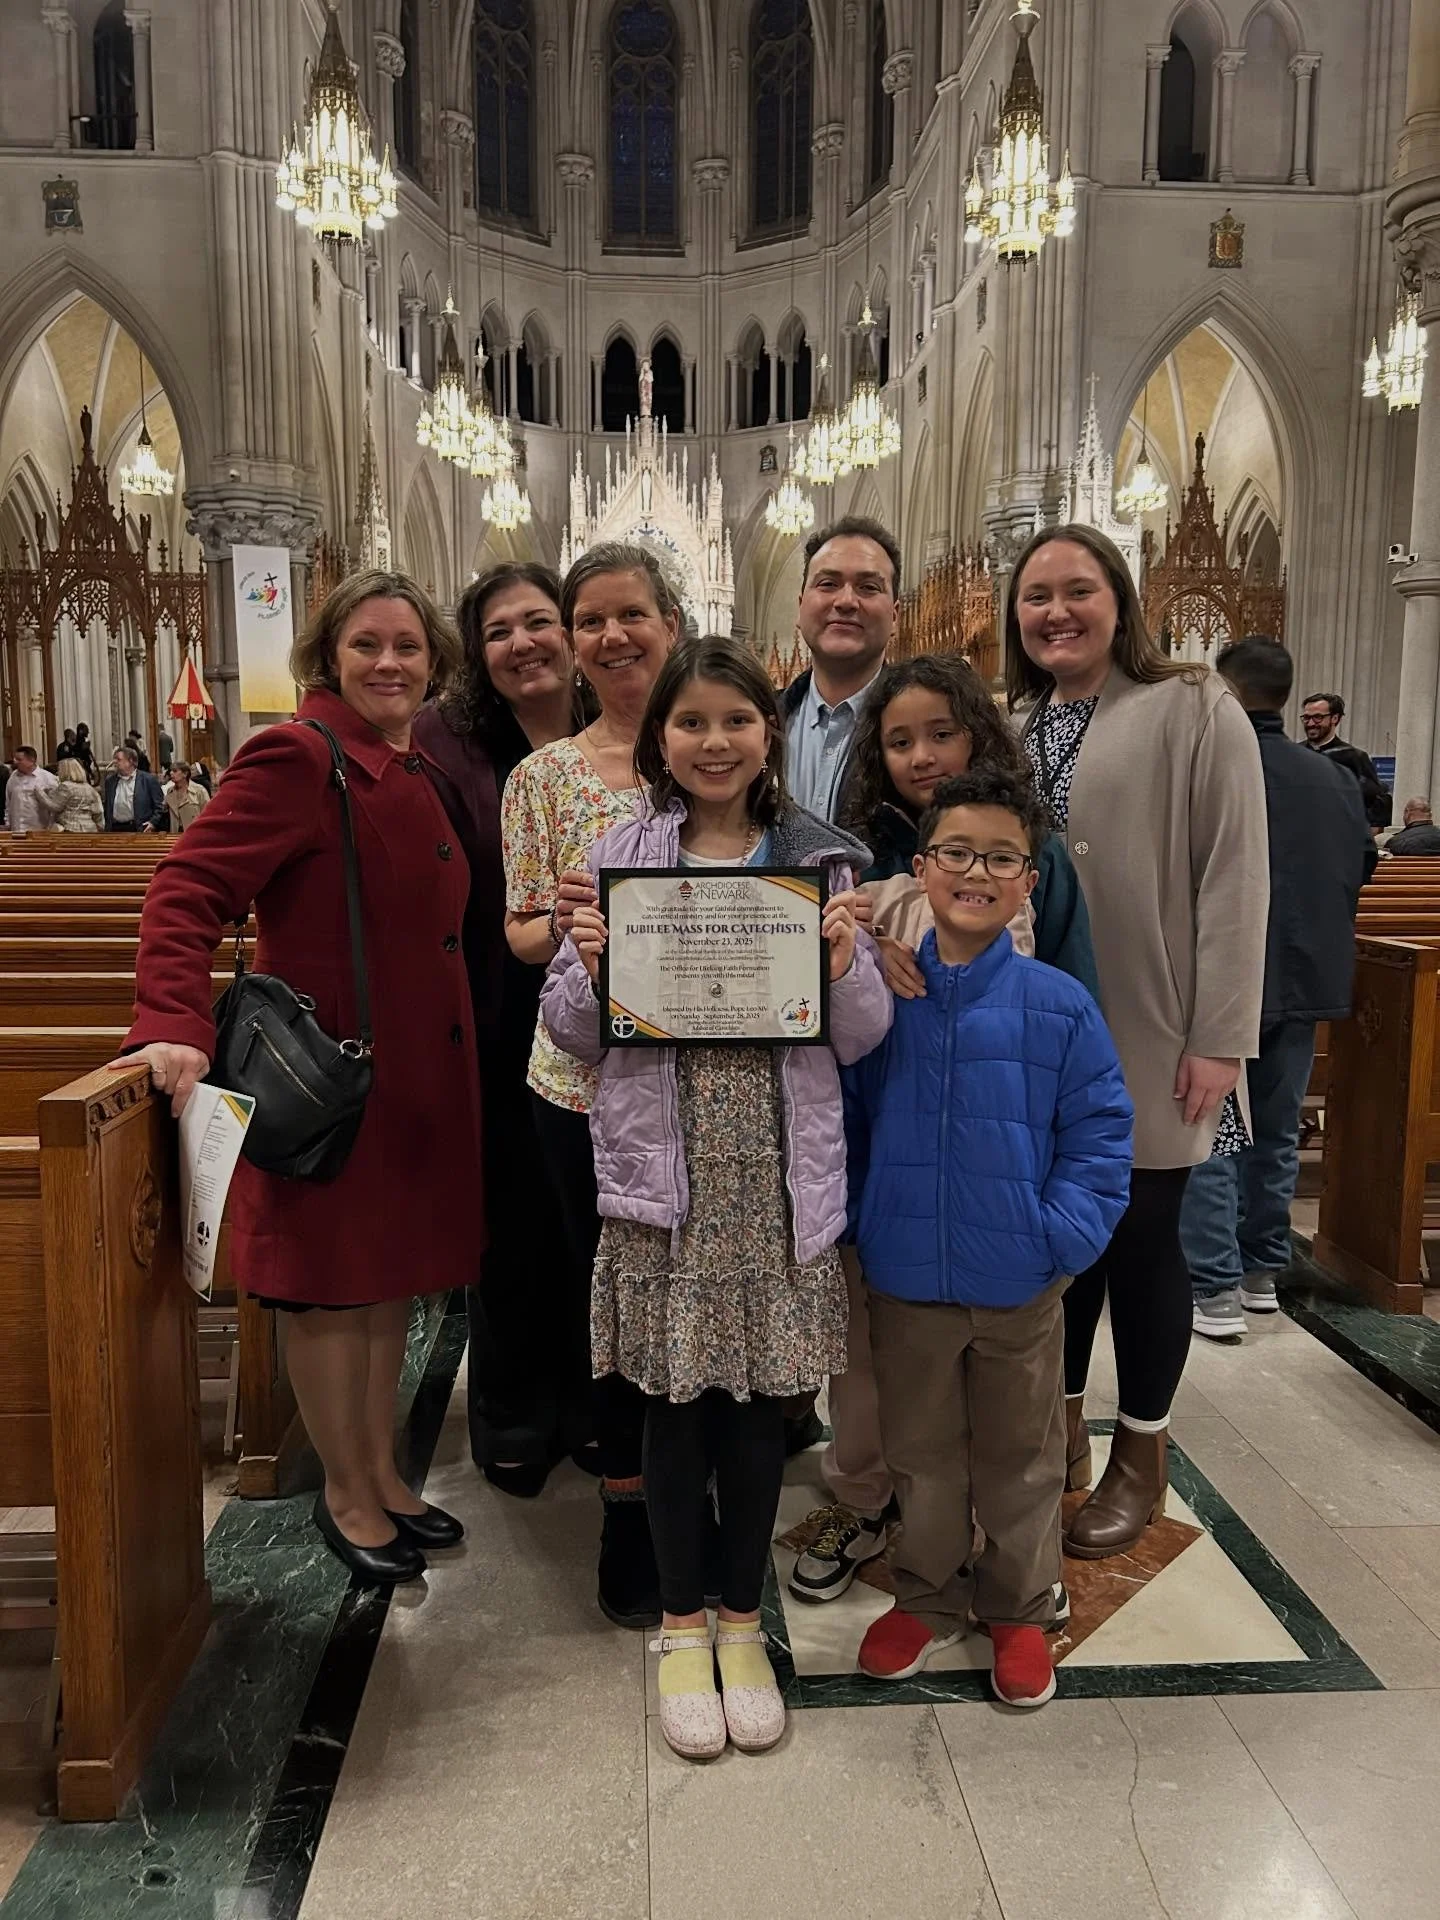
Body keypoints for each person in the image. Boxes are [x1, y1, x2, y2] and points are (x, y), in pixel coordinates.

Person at [541, 633, 892, 1760]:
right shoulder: (621, 856)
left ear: (767, 733)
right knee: (676, 1406)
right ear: (662, 739)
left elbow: (864, 1034)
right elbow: (569, 1029)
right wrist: (592, 966)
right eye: (690, 722)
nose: (714, 740)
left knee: (757, 1413)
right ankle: (680, 1625)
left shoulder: (817, 861)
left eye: (736, 720)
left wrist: (842, 967)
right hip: (668, 1171)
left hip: (776, 1177)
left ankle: (744, 1621)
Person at [116, 570, 481, 1586]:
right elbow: (186, 887)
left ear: (435, 663)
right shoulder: (296, 756)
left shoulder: (400, 766)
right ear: (329, 656)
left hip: (407, 1089)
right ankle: (346, 1492)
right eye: (368, 644)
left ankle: (384, 1477)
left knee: (380, 1293)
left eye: (409, 646)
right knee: (327, 1296)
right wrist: (172, 1022)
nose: (391, 662)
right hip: (327, 1084)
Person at [786, 652, 1102, 1607]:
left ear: (978, 734)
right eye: (899, 740)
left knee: (1003, 1402)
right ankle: (868, 1498)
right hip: (887, 1169)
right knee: (878, 1366)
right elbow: (815, 1001)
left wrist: (1061, 1214)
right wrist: (861, 944)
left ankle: (992, 1549)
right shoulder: (855, 862)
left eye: (942, 733)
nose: (922, 755)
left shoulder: (1024, 848)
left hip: (1002, 1171)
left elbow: (1073, 1003)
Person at [1009, 523, 1268, 1559]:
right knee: (1060, 1255)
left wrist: (1220, 1036)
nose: (1057, 612)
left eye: (1078, 590)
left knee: (1142, 1241)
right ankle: (1062, 1432)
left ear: (1120, 598)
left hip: (1154, 1027)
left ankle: (1141, 1456)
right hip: (1032, 1040)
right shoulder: (1012, 721)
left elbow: (1233, 875)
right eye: (1036, 596)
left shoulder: (1194, 705)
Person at [847, 768, 1131, 1702]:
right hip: (905, 1273)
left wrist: (1060, 1237)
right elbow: (839, 1116)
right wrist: (858, 1221)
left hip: (1019, 1276)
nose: (977, 871)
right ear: (922, 869)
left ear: (1027, 881)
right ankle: (927, 1595)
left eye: (1000, 857)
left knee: (1019, 1457)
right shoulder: (880, 997)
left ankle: (1018, 1605)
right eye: (957, 852)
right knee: (922, 1452)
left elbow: (1098, 1133)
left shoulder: (1058, 1003)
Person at [501, 541, 681, 1627]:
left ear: (670, 621)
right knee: (604, 1296)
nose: (613, 637)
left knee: (687, 1288)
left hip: (705, 1081)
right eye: (592, 620)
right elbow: (519, 930)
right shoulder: (544, 777)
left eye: (632, 615)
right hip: (579, 1081)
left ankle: (697, 1481)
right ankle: (626, 1507)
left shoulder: (715, 749)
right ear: (572, 641)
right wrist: (568, 921)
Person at [414, 562, 593, 1495]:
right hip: (491, 1003)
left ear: (570, 631)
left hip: (607, 1016)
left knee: (597, 1219)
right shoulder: (448, 740)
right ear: (477, 652)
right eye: (498, 631)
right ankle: (515, 1411)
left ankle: (594, 1402)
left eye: (539, 621)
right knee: (512, 1222)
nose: (522, 643)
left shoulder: (627, 726)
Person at [1184, 638, 1374, 1339]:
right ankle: (1262, 1272)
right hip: (1304, 976)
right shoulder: (1334, 777)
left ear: (1224, 691)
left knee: (1209, 1126)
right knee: (1274, 1129)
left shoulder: (1213, 765)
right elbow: (1360, 867)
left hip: (1225, 977)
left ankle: (1213, 1286)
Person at [782, 516, 899, 823]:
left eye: (868, 587)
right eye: (828, 584)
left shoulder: (925, 730)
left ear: (895, 616)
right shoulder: (758, 723)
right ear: (800, 606)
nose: (846, 601)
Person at [1300, 692, 1391, 832]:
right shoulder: (1294, 754)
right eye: (1306, 718)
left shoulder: (1355, 758)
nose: (1311, 723)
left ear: (1335, 718)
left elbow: (1374, 802)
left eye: (1318, 717)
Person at [104, 744, 166, 832]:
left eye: (118, 759)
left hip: (138, 828)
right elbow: (107, 806)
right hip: (115, 828)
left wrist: (153, 822)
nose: (114, 762)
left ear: (130, 761)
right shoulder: (110, 781)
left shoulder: (148, 780)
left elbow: (160, 806)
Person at [38, 755, 104, 832]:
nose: (58, 772)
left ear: (65, 771)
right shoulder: (89, 788)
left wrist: (39, 793)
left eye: (59, 770)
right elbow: (98, 811)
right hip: (89, 829)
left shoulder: (66, 786)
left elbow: (55, 806)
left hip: (71, 829)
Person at [3, 746, 58, 831]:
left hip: (38, 830)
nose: (14, 761)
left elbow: (55, 807)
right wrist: (8, 823)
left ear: (31, 760)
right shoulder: (13, 777)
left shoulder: (48, 778)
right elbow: (8, 802)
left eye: (19, 759)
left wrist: (51, 827)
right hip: (16, 829)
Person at [163, 760, 209, 833]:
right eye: (171, 771)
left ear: (185, 773)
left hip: (195, 833)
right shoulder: (170, 791)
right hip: (174, 835)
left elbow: (207, 815)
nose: (171, 773)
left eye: (175, 771)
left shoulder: (199, 790)